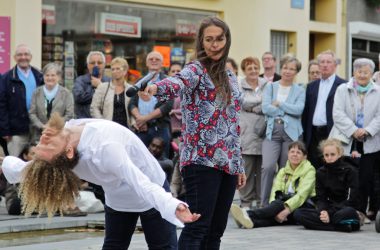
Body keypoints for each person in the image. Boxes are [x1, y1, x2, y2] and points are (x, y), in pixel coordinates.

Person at [0, 113, 200, 249]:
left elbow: (141, 184)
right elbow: (140, 183)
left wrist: (3, 162)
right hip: (128, 194)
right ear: (67, 151)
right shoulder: (104, 150)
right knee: (114, 246)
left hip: (150, 185)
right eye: (46, 144)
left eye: (41, 144)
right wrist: (175, 206)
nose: (42, 138)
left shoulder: (73, 131)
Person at [144, 17, 246, 249]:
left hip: (227, 162)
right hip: (201, 160)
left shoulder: (230, 77)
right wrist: (154, 89)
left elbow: (233, 123)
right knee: (198, 226)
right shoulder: (195, 70)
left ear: (227, 40)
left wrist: (238, 164)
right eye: (209, 40)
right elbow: (176, 83)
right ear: (201, 42)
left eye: (219, 39)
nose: (214, 45)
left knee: (216, 231)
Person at [330, 58, 380, 223]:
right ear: (353, 72)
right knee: (345, 176)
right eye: (359, 71)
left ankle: (361, 211)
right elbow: (337, 113)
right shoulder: (342, 89)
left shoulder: (378, 90)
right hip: (346, 138)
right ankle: (341, 209)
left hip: (370, 140)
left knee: (365, 178)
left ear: (372, 74)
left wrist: (367, 130)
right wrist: (353, 130)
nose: (362, 75)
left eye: (366, 72)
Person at [230, 141, 315, 229]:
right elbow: (275, 191)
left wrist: (286, 210)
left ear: (305, 156)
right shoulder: (283, 171)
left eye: (298, 152)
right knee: (275, 215)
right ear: (288, 154)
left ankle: (247, 214)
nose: (294, 155)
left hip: (301, 207)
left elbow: (302, 195)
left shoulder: (309, 170)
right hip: (283, 205)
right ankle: (250, 222)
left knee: (278, 206)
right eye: (292, 152)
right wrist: (273, 210)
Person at [260, 55, 305, 207]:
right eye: (285, 67)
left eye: (292, 69)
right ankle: (264, 204)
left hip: (291, 134)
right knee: (268, 166)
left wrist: (279, 104)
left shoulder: (299, 90)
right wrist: (285, 110)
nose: (288, 71)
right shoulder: (271, 87)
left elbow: (298, 110)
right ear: (281, 68)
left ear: (296, 72)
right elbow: (265, 108)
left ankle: (282, 204)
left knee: (287, 169)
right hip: (272, 132)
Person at [294, 139, 361, 232]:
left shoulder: (350, 171)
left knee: (344, 213)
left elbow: (352, 200)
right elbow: (321, 198)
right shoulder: (320, 172)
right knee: (298, 214)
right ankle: (341, 227)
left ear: (340, 154)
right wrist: (323, 211)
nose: (329, 157)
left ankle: (324, 224)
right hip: (329, 209)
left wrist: (329, 213)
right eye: (326, 155)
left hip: (345, 208)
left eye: (332, 154)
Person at [302, 50, 346, 169]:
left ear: (335, 65)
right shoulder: (311, 86)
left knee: (332, 168)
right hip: (313, 134)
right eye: (322, 62)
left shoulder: (343, 85)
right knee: (313, 168)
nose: (325, 65)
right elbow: (306, 113)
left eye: (328, 62)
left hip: (331, 132)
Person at [0, 44, 43, 156]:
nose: (23, 57)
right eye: (20, 54)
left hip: (36, 128)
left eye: (26, 54)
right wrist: (5, 130)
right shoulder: (6, 78)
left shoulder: (39, 75)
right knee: (14, 163)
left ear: (31, 57)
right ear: (15, 58)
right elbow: (2, 105)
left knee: (35, 162)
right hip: (16, 130)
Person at [129, 51, 173, 157]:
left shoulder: (167, 81)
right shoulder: (140, 81)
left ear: (162, 64)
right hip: (142, 129)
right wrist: (139, 119)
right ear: (146, 63)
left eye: (157, 59)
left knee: (162, 166)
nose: (154, 61)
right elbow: (131, 103)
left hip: (160, 130)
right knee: (139, 162)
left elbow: (167, 106)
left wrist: (144, 119)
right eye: (151, 59)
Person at [238, 56, 267, 209]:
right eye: (250, 68)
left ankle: (261, 204)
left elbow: (269, 103)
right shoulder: (238, 85)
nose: (253, 71)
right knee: (247, 172)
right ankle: (246, 203)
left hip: (263, 134)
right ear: (244, 71)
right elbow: (241, 101)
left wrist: (253, 107)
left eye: (256, 68)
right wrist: (260, 105)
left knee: (262, 172)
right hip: (246, 134)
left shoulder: (267, 85)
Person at [29, 63, 74, 143]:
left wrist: (53, 126)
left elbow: (69, 114)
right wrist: (42, 126)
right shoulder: (36, 92)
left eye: (53, 75)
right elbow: (32, 113)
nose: (50, 78)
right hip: (38, 135)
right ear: (43, 77)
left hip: (59, 135)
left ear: (59, 77)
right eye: (47, 75)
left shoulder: (66, 93)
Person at [90, 57, 133, 128]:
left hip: (126, 129)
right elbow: (94, 108)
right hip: (107, 128)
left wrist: (133, 124)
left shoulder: (131, 89)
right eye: (113, 69)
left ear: (125, 71)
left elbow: (134, 109)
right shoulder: (102, 87)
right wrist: (102, 123)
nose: (114, 71)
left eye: (118, 69)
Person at [72, 51, 110, 119]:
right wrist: (100, 90)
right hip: (84, 120)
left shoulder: (110, 81)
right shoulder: (80, 81)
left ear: (104, 65)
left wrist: (100, 86)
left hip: (104, 121)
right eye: (92, 63)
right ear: (88, 65)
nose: (96, 65)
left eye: (99, 63)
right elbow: (79, 98)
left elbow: (111, 99)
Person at [2, 143, 36, 215]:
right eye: (33, 154)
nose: (36, 157)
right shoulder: (15, 169)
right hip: (16, 203)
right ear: (25, 156)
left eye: (38, 154)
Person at [168, 62, 183, 139]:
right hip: (167, 128)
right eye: (173, 71)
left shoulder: (188, 89)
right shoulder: (165, 89)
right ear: (169, 73)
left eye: (178, 71)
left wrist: (174, 111)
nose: (175, 73)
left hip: (183, 129)